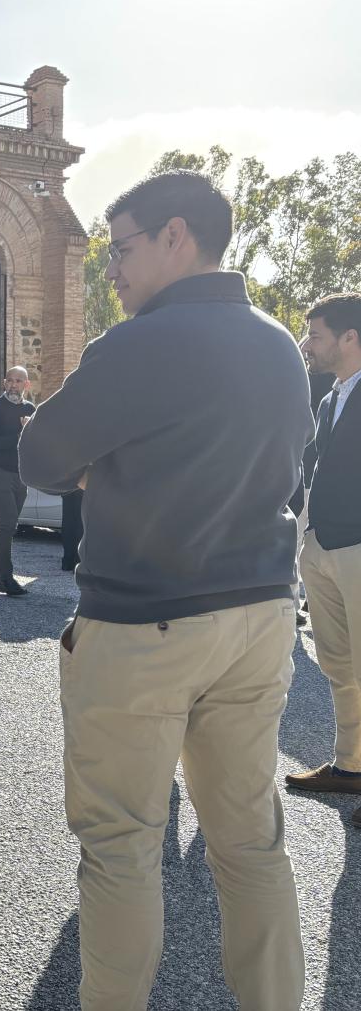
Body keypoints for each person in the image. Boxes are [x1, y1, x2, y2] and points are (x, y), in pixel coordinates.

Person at [19, 170, 312, 1011]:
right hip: (258, 613)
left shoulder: (138, 344)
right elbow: (287, 476)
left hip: (143, 620)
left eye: (124, 247)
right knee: (251, 842)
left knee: (120, 848)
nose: (113, 269)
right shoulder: (278, 344)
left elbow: (41, 459)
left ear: (177, 236)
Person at [285, 294, 361, 825]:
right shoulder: (329, 397)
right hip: (322, 548)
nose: (308, 344)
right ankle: (351, 766)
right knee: (338, 664)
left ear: (349, 337)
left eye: (315, 334)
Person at [0, 366, 34, 595]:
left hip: (21, 476)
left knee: (6, 526)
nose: (13, 385)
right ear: (4, 383)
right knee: (8, 523)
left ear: (26, 385)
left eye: (18, 381)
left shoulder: (31, 410)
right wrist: (19, 435)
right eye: (10, 380)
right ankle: (6, 579)